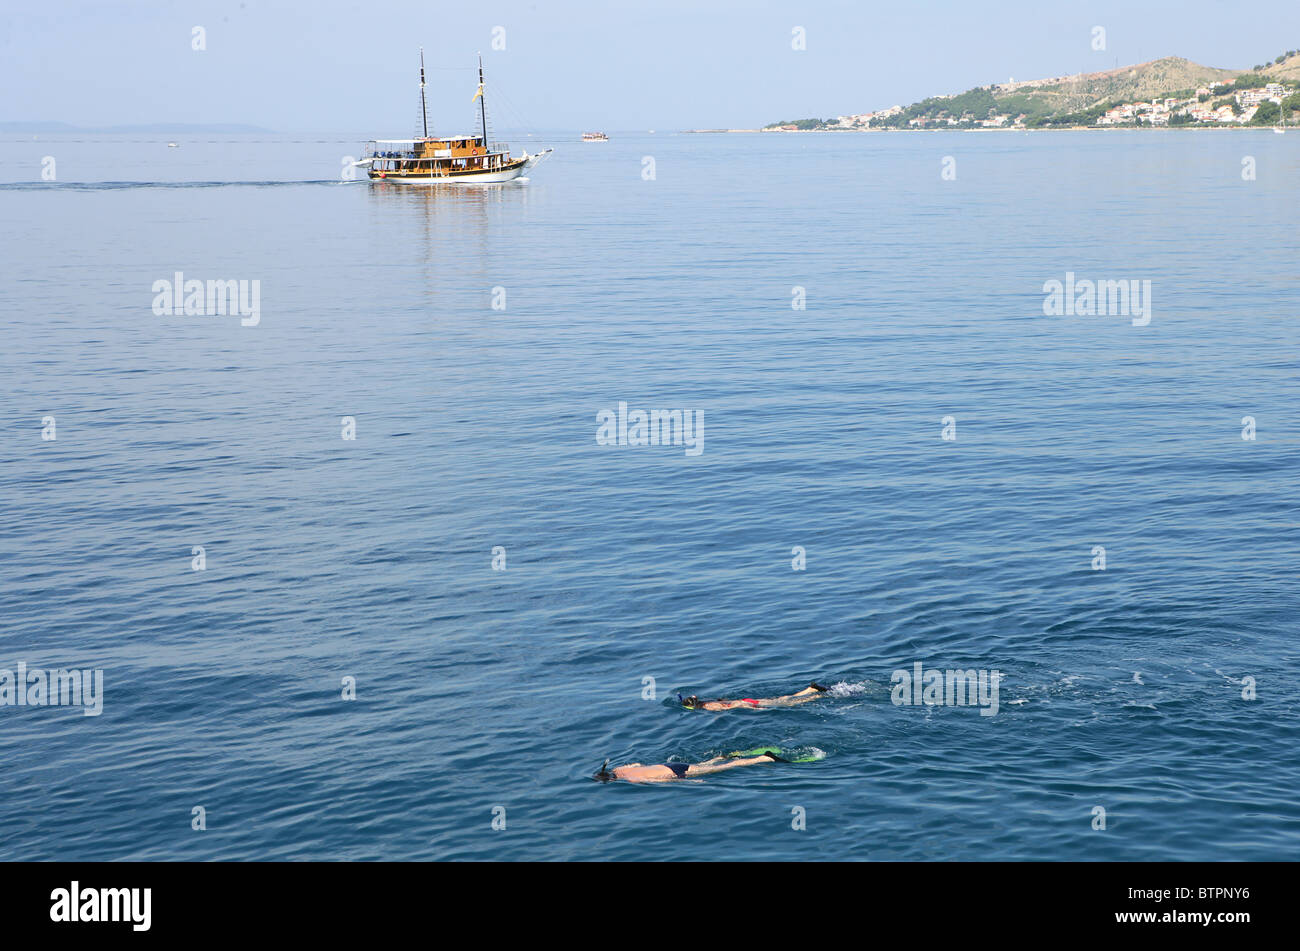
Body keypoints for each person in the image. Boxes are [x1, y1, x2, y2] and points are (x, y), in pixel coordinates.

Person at [593, 750, 786, 783]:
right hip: (670, 764)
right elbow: (637, 764)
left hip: (674, 771)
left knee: (721, 769)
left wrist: (691, 783)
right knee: (705, 764)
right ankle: (719, 756)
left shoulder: (631, 779)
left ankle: (763, 759)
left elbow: (662, 780)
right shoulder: (621, 769)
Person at [678, 682, 828, 711]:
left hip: (746, 704)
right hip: (747, 699)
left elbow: (726, 707)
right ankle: (809, 690)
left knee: (788, 704)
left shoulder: (709, 707)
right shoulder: (708, 701)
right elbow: (724, 702)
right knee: (784, 698)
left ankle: (817, 697)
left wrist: (756, 709)